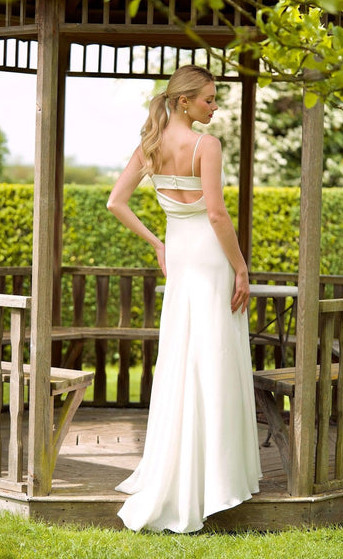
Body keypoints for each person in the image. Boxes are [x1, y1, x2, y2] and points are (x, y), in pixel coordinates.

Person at [107, 64, 262, 533]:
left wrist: (157, 244)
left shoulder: (150, 146)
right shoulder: (205, 146)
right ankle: (214, 477)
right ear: (183, 101)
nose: (215, 108)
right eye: (209, 100)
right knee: (213, 356)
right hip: (210, 260)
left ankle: (182, 470)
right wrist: (240, 266)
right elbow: (216, 214)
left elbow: (116, 201)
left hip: (179, 256)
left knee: (183, 358)